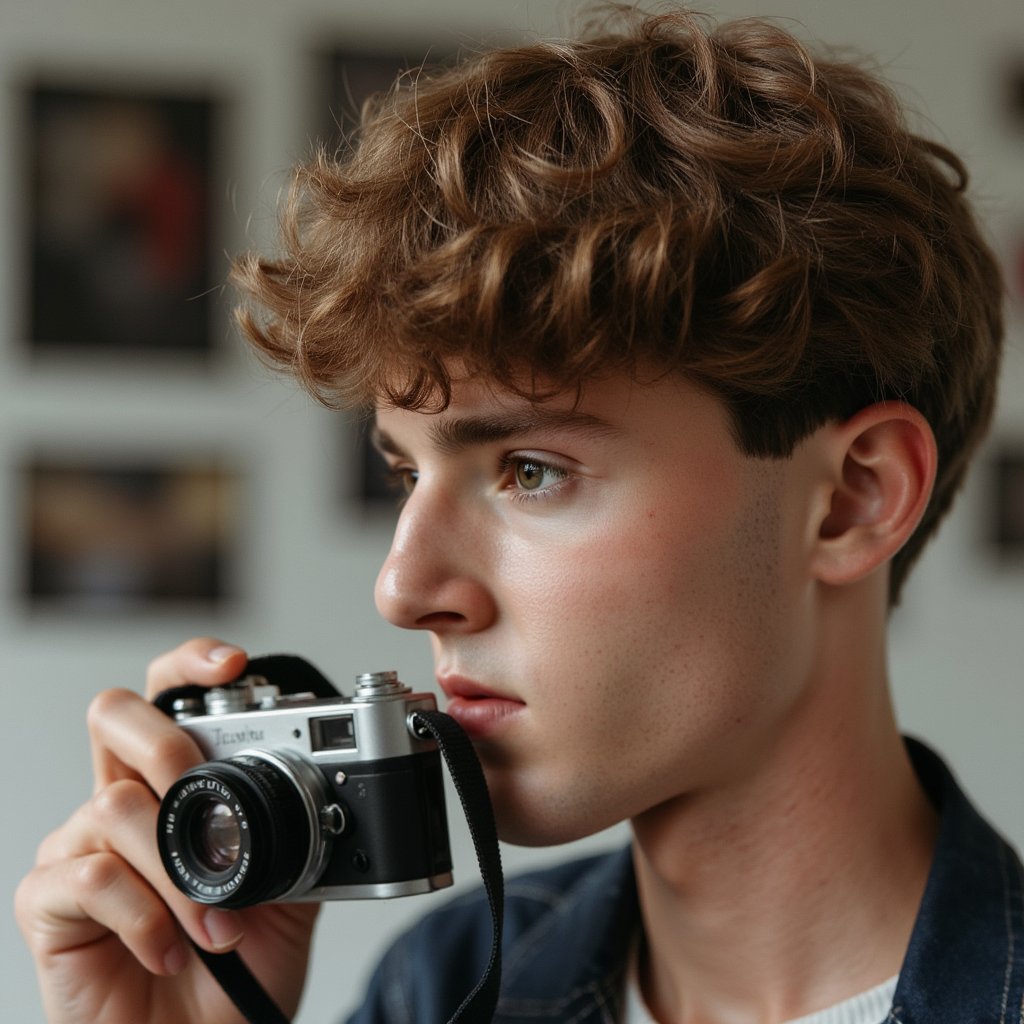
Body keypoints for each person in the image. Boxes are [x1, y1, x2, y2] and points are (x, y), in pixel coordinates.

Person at [16, 6, 1020, 1023]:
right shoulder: (437, 985)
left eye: (531, 470)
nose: (402, 589)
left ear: (854, 498)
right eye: (406, 475)